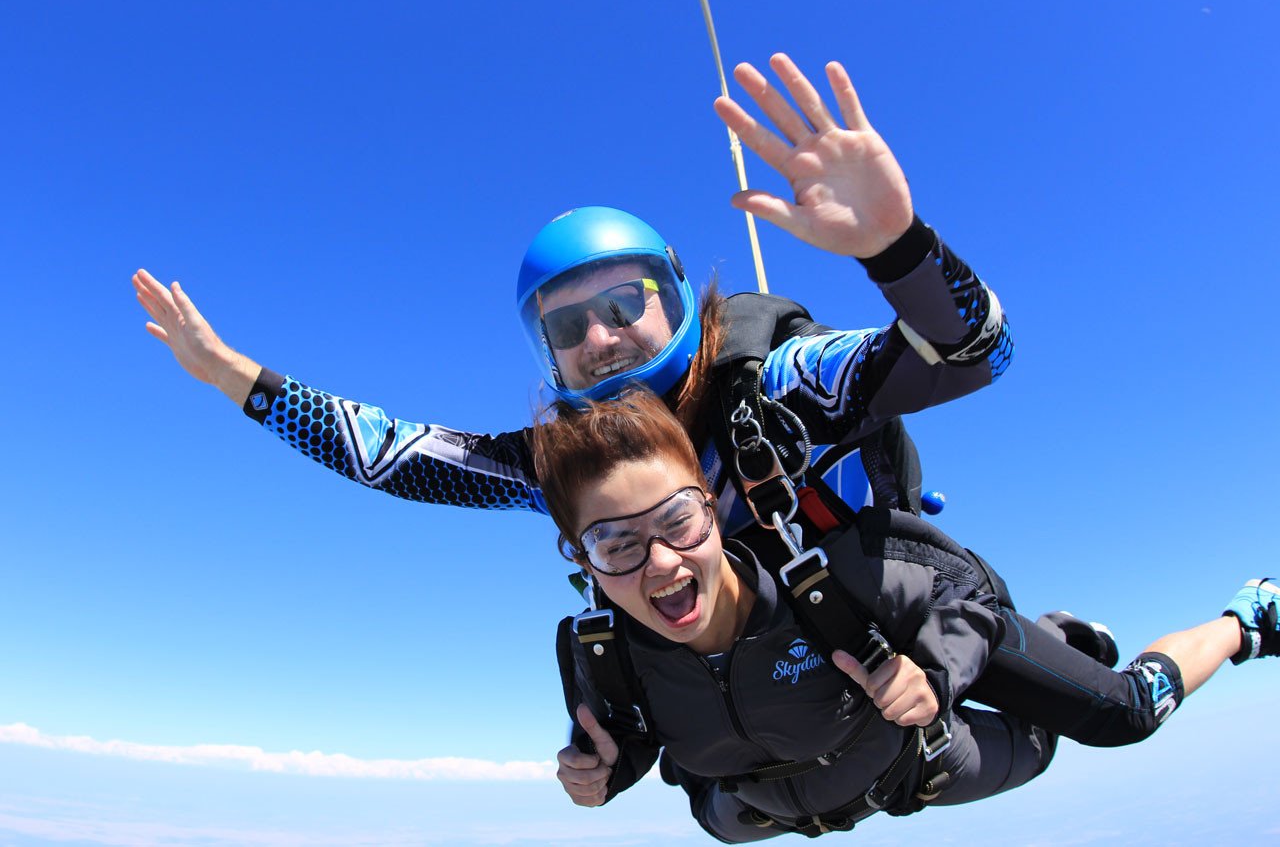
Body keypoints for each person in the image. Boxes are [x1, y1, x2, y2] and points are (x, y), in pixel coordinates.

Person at [133, 53, 1280, 746]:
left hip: (896, 604)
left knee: (1119, 713)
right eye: (561, 324)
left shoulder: (772, 386)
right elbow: (396, 457)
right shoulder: (566, 463)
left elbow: (972, 352)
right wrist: (239, 380)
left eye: (619, 301)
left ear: (676, 294)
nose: (595, 335)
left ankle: (1245, 617)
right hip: (792, 684)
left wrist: (897, 249)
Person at [533, 387, 1277, 841]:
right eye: (616, 542)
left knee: (1121, 715)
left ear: (712, 505)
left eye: (678, 521)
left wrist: (936, 676)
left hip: (919, 760)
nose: (660, 561)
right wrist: (602, 773)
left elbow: (971, 596)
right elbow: (638, 738)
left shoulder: (835, 579)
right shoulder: (603, 657)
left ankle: (1249, 618)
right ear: (580, 558)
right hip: (773, 799)